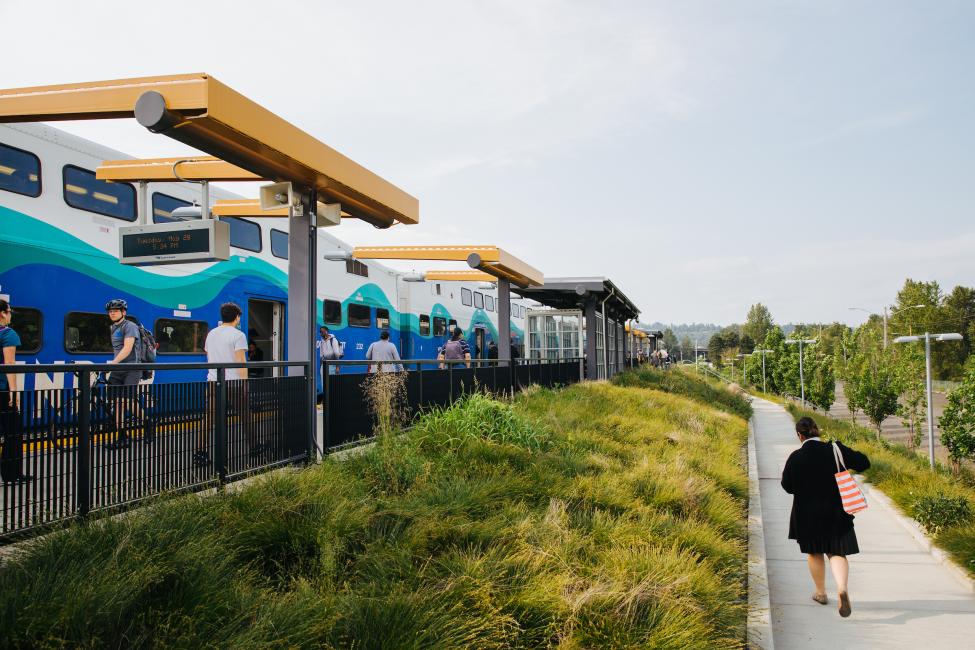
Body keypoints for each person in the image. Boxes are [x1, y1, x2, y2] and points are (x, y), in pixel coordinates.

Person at [781, 416, 870, 618]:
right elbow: (864, 463)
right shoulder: (835, 449)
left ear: (800, 435)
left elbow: (787, 486)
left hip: (807, 514)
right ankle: (842, 589)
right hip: (836, 512)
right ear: (817, 431)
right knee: (837, 552)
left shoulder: (796, 457)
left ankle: (821, 593)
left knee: (814, 553)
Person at [195, 302, 253, 467]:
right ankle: (254, 447)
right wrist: (245, 385)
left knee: (209, 418)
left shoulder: (212, 333)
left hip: (214, 381)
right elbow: (241, 362)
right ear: (237, 317)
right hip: (233, 382)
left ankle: (200, 453)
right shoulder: (238, 335)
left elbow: (209, 357)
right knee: (245, 415)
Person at [104, 298, 146, 450]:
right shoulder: (113, 328)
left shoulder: (130, 326)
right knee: (117, 404)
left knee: (126, 401)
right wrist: (114, 365)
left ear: (123, 312)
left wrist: (112, 364)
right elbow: (117, 349)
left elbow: (127, 348)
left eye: (116, 310)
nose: (113, 313)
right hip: (118, 370)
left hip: (132, 368)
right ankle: (122, 436)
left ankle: (147, 423)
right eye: (110, 311)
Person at [0, 299, 28, 483]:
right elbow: (9, 364)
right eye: (9, 311)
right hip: (2, 390)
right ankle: (12, 474)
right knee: (13, 433)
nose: (10, 315)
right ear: (3, 313)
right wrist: (14, 392)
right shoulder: (8, 334)